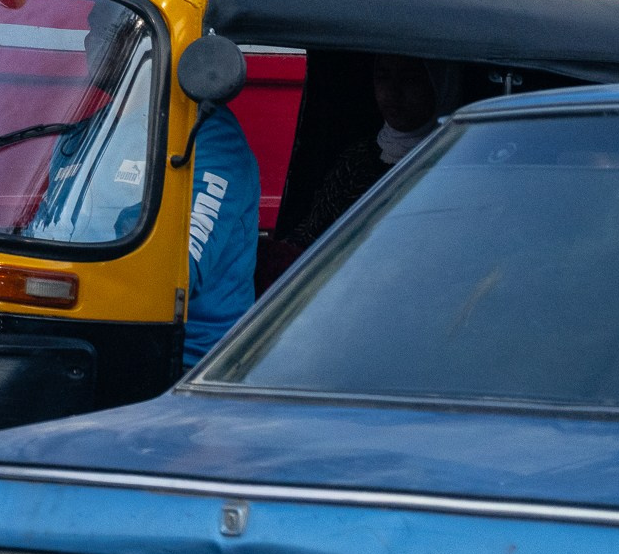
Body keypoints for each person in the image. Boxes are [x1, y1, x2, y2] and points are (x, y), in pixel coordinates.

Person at [277, 53, 440, 254]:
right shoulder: (358, 161)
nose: (393, 92)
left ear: (437, 83)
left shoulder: (451, 162)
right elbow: (309, 235)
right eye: (383, 77)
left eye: (409, 78)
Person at [182, 100, 260, 367]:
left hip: (194, 363)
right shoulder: (89, 128)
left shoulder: (212, 136)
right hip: (99, 341)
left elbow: (180, 273)